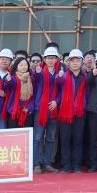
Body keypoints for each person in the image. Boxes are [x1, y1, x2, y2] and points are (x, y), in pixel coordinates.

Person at [33, 46, 64, 174]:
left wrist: (56, 101)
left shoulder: (60, 73)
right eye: (48, 58)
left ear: (56, 59)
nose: (50, 60)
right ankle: (36, 164)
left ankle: (47, 163)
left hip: (53, 109)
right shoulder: (39, 71)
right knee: (38, 137)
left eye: (53, 58)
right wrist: (37, 73)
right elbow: (36, 80)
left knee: (51, 137)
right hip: (40, 108)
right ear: (44, 59)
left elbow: (62, 91)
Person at [58, 49, 89, 174]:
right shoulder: (63, 76)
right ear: (68, 62)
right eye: (73, 61)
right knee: (65, 140)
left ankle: (77, 166)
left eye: (78, 60)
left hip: (80, 113)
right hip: (65, 114)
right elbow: (57, 82)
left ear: (82, 62)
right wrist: (59, 76)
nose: (75, 63)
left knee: (78, 140)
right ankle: (66, 166)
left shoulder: (86, 77)